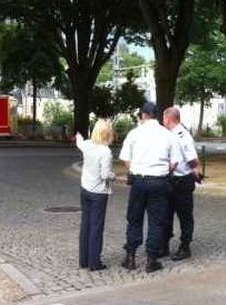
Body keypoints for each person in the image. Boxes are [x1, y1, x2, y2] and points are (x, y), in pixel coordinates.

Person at [119, 102, 180, 273]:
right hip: (160, 181)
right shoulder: (168, 135)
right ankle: (151, 259)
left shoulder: (134, 133)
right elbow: (174, 163)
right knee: (157, 220)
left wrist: (135, 168)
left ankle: (130, 256)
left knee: (134, 218)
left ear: (143, 115)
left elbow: (125, 159)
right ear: (157, 115)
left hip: (138, 181)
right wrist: (161, 170)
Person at [76, 119, 115, 271]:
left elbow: (79, 143)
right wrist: (113, 176)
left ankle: (84, 260)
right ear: (107, 133)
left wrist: (78, 136)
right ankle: (94, 262)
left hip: (85, 189)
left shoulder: (87, 144)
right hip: (98, 193)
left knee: (85, 224)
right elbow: (105, 174)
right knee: (96, 227)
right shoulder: (106, 152)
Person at [161, 107, 200, 261]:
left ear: (168, 119)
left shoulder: (182, 135)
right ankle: (163, 245)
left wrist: (194, 170)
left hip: (182, 180)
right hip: (170, 180)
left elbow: (193, 159)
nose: (162, 121)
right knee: (166, 214)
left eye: (164, 118)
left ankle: (185, 246)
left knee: (184, 215)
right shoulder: (170, 134)